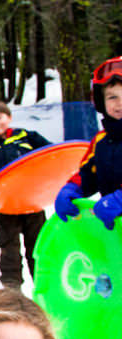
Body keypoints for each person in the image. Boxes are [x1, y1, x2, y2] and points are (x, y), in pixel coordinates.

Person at [0, 101, 50, 290]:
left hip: (32, 203)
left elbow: (49, 155)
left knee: (38, 247)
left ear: (9, 117)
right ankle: (12, 289)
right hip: (5, 207)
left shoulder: (28, 138)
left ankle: (45, 286)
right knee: (9, 250)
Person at [55, 55, 122, 230]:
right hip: (114, 231)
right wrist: (71, 189)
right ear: (101, 102)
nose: (120, 103)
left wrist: (119, 199)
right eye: (112, 97)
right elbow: (88, 173)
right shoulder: (100, 141)